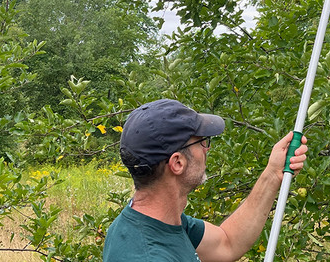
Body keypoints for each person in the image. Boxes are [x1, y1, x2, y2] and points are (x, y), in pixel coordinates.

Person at [103, 98, 308, 262]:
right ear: (177, 163)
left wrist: (272, 174)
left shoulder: (161, 222)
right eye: (202, 142)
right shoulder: (148, 255)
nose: (206, 149)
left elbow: (227, 243)